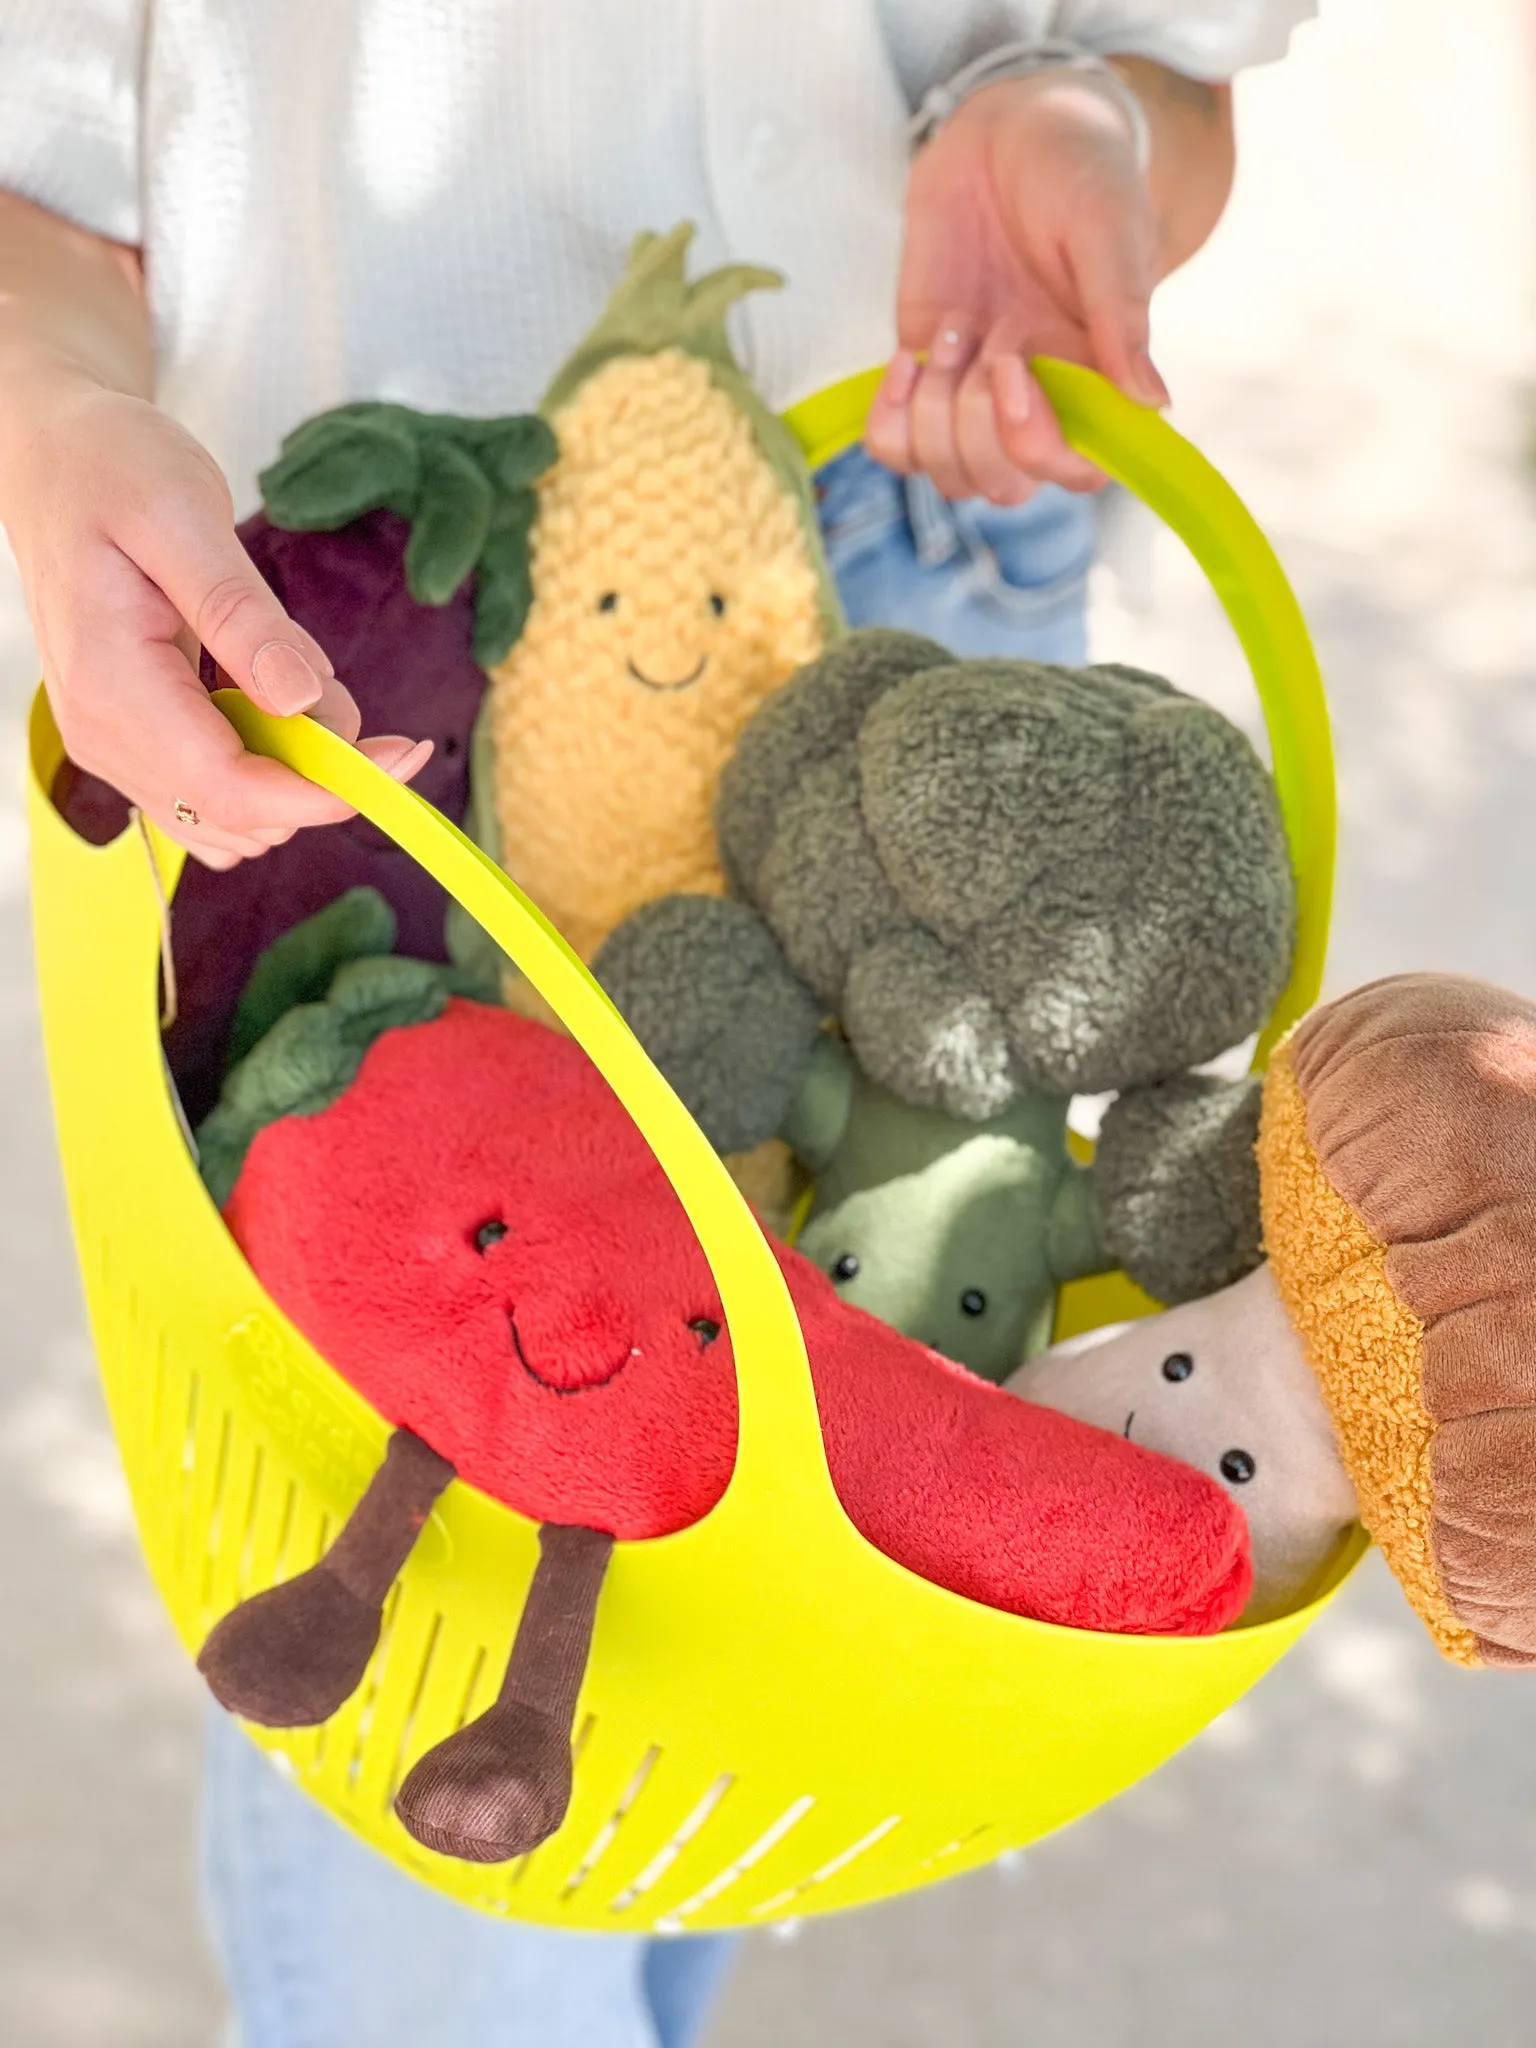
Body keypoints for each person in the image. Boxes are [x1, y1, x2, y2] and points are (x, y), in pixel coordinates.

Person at [0, 5, 1313, 2044]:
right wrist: (50, 411)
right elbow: (37, 201)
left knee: (740, 1726)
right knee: (445, 1908)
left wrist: (1063, 114)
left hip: (900, 640)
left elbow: (1175, 84)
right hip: (385, 708)